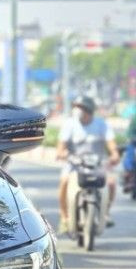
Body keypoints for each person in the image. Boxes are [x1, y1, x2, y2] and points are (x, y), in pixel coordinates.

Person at [56, 95, 119, 234]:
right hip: (74, 164)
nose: (77, 110)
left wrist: (114, 154)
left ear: (89, 110)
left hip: (98, 164)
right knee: (64, 182)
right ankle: (64, 217)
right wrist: (62, 154)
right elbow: (61, 147)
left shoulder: (101, 124)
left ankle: (105, 212)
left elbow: (111, 144)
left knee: (111, 183)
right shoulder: (69, 124)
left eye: (80, 107)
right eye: (76, 107)